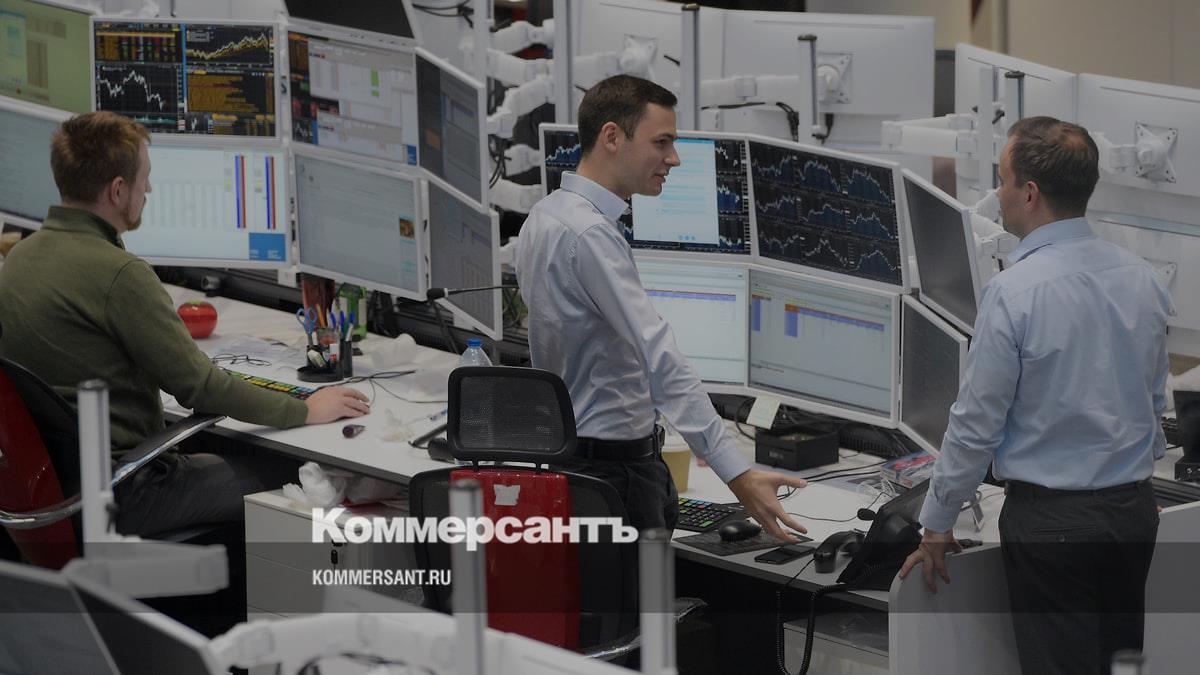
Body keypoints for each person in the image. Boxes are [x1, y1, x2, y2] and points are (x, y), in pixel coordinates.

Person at [0, 111, 371, 536]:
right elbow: (201, 388)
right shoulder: (120, 274)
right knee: (301, 473)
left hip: (53, 491)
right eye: (144, 178)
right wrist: (304, 409)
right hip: (128, 492)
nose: (149, 189)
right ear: (117, 190)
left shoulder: (19, 259)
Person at [898, 116, 1173, 674]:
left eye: (1002, 180)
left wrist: (937, 522)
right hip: (1133, 514)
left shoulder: (1014, 292)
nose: (997, 194)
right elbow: (1152, 400)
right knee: (1121, 664)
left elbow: (976, 424)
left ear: (1029, 193)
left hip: (1054, 526)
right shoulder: (1142, 278)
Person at [515, 75, 807, 538]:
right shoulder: (591, 236)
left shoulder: (545, 215)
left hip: (574, 460)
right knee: (634, 591)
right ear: (612, 137)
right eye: (662, 142)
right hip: (614, 474)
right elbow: (660, 358)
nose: (674, 157)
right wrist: (738, 473)